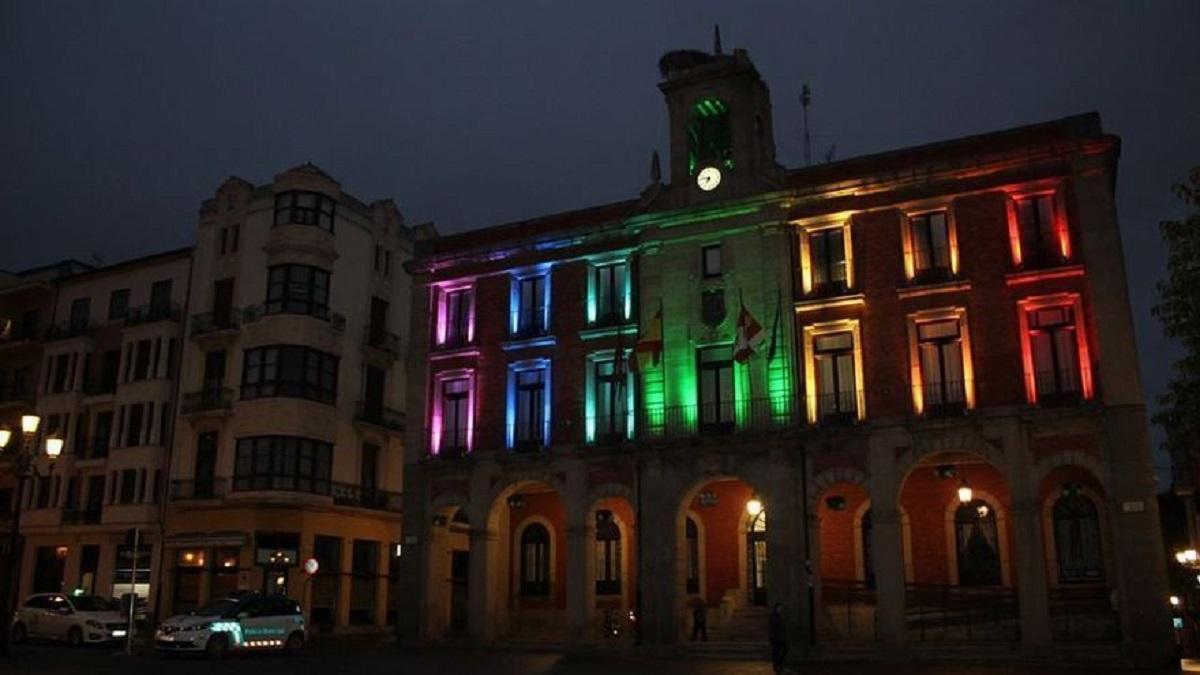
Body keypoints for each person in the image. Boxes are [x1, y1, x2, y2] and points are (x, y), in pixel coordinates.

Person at [768, 602, 788, 674]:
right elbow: (773, 628)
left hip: (780, 637)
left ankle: (779, 664)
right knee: (776, 652)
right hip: (776, 637)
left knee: (784, 649)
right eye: (780, 608)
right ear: (776, 608)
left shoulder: (778, 616)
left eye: (781, 608)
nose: (781, 609)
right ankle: (776, 665)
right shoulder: (774, 616)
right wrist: (772, 637)